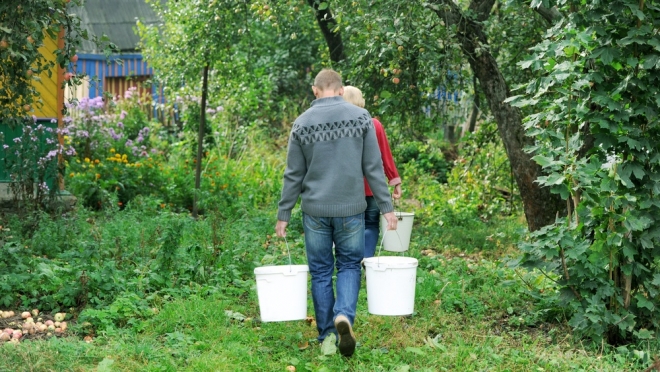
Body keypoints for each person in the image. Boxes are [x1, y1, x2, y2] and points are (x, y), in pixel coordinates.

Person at [275, 69, 398, 357]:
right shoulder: (361, 118)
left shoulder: (301, 123)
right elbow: (373, 168)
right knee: (350, 266)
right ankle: (344, 315)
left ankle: (327, 335)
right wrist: (386, 208)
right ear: (341, 90)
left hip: (314, 210)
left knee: (320, 271)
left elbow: (293, 174)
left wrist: (284, 212)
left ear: (315, 90)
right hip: (351, 209)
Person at [342, 86, 402, 258]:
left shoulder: (338, 127)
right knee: (371, 224)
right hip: (373, 188)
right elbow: (385, 155)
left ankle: (352, 260)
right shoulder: (374, 124)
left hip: (348, 189)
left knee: (350, 226)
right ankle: (366, 258)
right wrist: (394, 181)